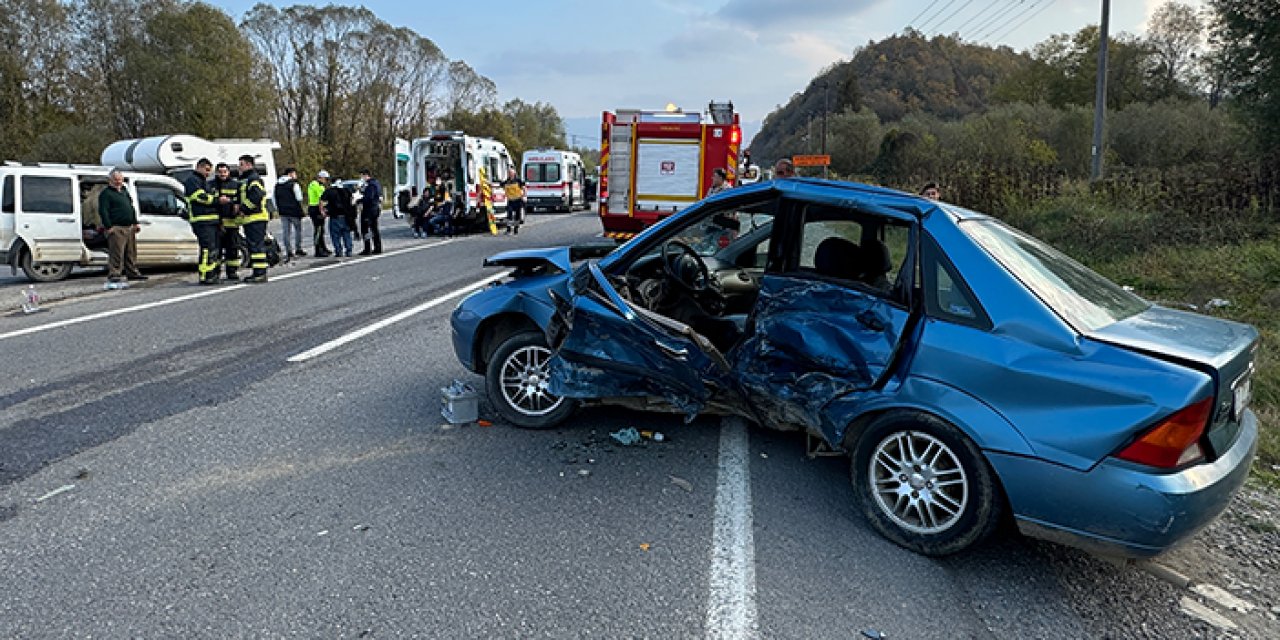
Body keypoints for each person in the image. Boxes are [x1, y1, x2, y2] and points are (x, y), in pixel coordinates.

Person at [99, 169, 146, 287]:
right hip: (117, 227)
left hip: (129, 227)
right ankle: (114, 274)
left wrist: (135, 222)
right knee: (117, 252)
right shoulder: (106, 194)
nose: (119, 182)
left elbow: (131, 207)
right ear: (110, 180)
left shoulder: (124, 191)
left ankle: (132, 272)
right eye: (116, 179)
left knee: (131, 252)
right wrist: (109, 226)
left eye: (120, 179)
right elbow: (103, 211)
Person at [183, 158, 222, 285]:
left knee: (213, 249)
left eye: (210, 171)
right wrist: (217, 200)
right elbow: (199, 197)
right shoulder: (192, 181)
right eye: (206, 170)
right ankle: (206, 275)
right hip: (202, 221)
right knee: (207, 249)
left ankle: (213, 274)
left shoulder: (204, 181)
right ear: (199, 167)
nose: (208, 173)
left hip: (211, 221)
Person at [237, 155, 271, 283]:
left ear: (249, 165)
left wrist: (243, 209)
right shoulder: (247, 179)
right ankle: (257, 272)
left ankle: (260, 273)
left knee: (257, 247)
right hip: (251, 219)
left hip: (256, 218)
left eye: (241, 164)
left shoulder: (253, 179)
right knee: (254, 246)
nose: (239, 167)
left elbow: (257, 195)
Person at [210, 163, 241, 281]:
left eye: (225, 172)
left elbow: (239, 200)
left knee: (232, 249)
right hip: (216, 223)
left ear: (228, 172)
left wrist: (232, 203)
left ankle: (232, 272)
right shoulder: (211, 185)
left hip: (232, 223)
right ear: (216, 172)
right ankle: (216, 272)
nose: (222, 174)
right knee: (216, 250)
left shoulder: (235, 185)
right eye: (220, 172)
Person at [275, 167, 306, 256]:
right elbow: (299, 198)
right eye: (294, 173)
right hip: (294, 211)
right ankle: (298, 248)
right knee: (298, 230)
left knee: (286, 232)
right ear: (290, 174)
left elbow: (274, 199)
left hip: (283, 211)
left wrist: (278, 208)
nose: (295, 175)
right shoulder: (294, 184)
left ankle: (288, 251)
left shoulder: (277, 185)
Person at [321, 177, 355, 257]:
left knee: (335, 235)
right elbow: (352, 201)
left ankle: (338, 251)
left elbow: (322, 201)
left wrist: (323, 212)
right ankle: (349, 251)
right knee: (346, 234)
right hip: (346, 216)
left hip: (335, 217)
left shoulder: (329, 191)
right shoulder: (346, 190)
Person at [358, 169, 383, 255]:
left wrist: (359, 200)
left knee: (366, 229)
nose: (361, 178)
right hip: (375, 208)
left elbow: (369, 197)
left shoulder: (370, 185)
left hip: (369, 210)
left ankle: (367, 248)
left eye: (361, 176)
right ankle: (377, 247)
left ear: (365, 175)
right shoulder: (376, 183)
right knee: (374, 228)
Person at [307, 170, 332, 257]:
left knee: (321, 230)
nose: (326, 181)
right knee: (318, 230)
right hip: (316, 208)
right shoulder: (316, 185)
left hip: (315, 207)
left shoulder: (315, 184)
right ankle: (318, 250)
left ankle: (323, 248)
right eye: (325, 179)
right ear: (320, 178)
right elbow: (322, 198)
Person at [501, 167, 525, 235]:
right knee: (509, 214)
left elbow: (524, 188)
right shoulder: (506, 181)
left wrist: (524, 196)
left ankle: (516, 229)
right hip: (510, 201)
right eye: (509, 173)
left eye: (511, 173)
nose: (510, 174)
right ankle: (508, 229)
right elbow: (500, 185)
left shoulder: (518, 180)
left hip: (518, 200)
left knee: (517, 215)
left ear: (514, 173)